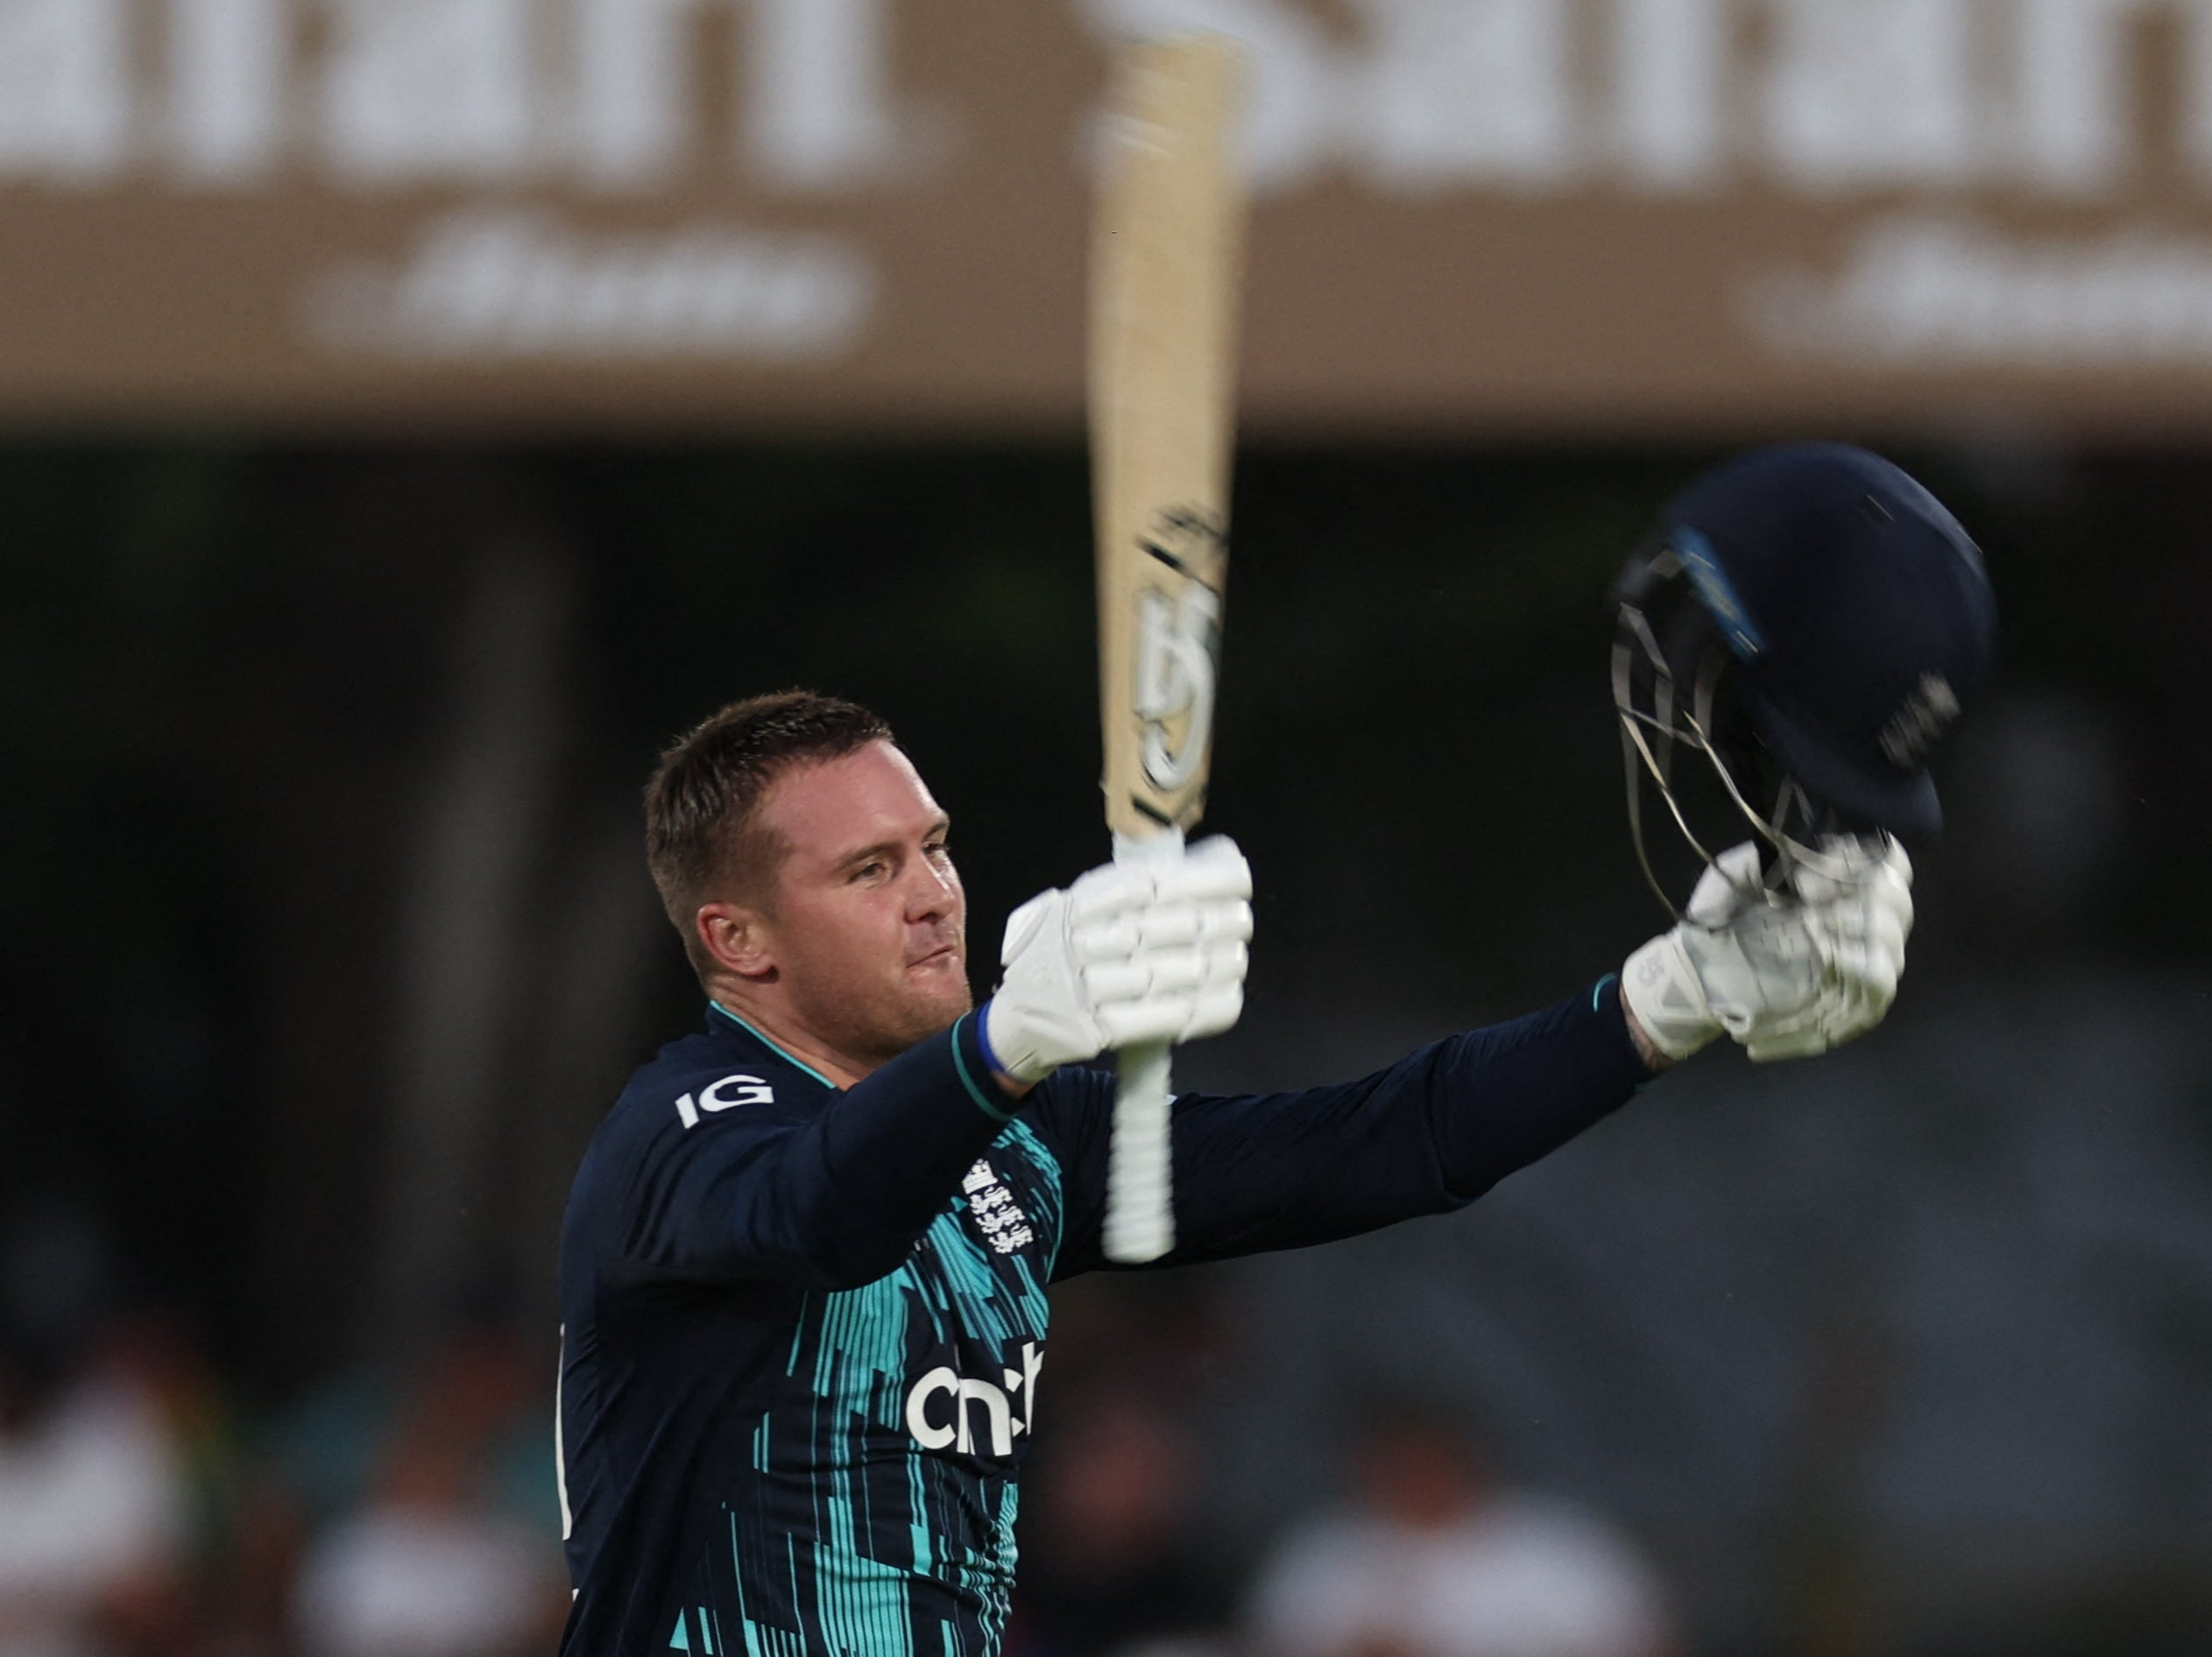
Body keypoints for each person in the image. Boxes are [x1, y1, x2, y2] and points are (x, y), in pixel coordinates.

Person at [555, 445, 1996, 1657]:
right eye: (870, 870)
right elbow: (820, 1212)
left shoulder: (1019, 1154)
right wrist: (1006, 1041)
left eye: (934, 846)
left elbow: (1391, 1141)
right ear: (740, 940)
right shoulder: (678, 1129)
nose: (936, 891)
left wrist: (1663, 1002)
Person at [1246, 1405, 1670, 1657]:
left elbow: (1647, 1646)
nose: (1417, 1479)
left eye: (1431, 1463)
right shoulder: (1324, 1551)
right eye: (1399, 1466)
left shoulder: (1558, 1541)